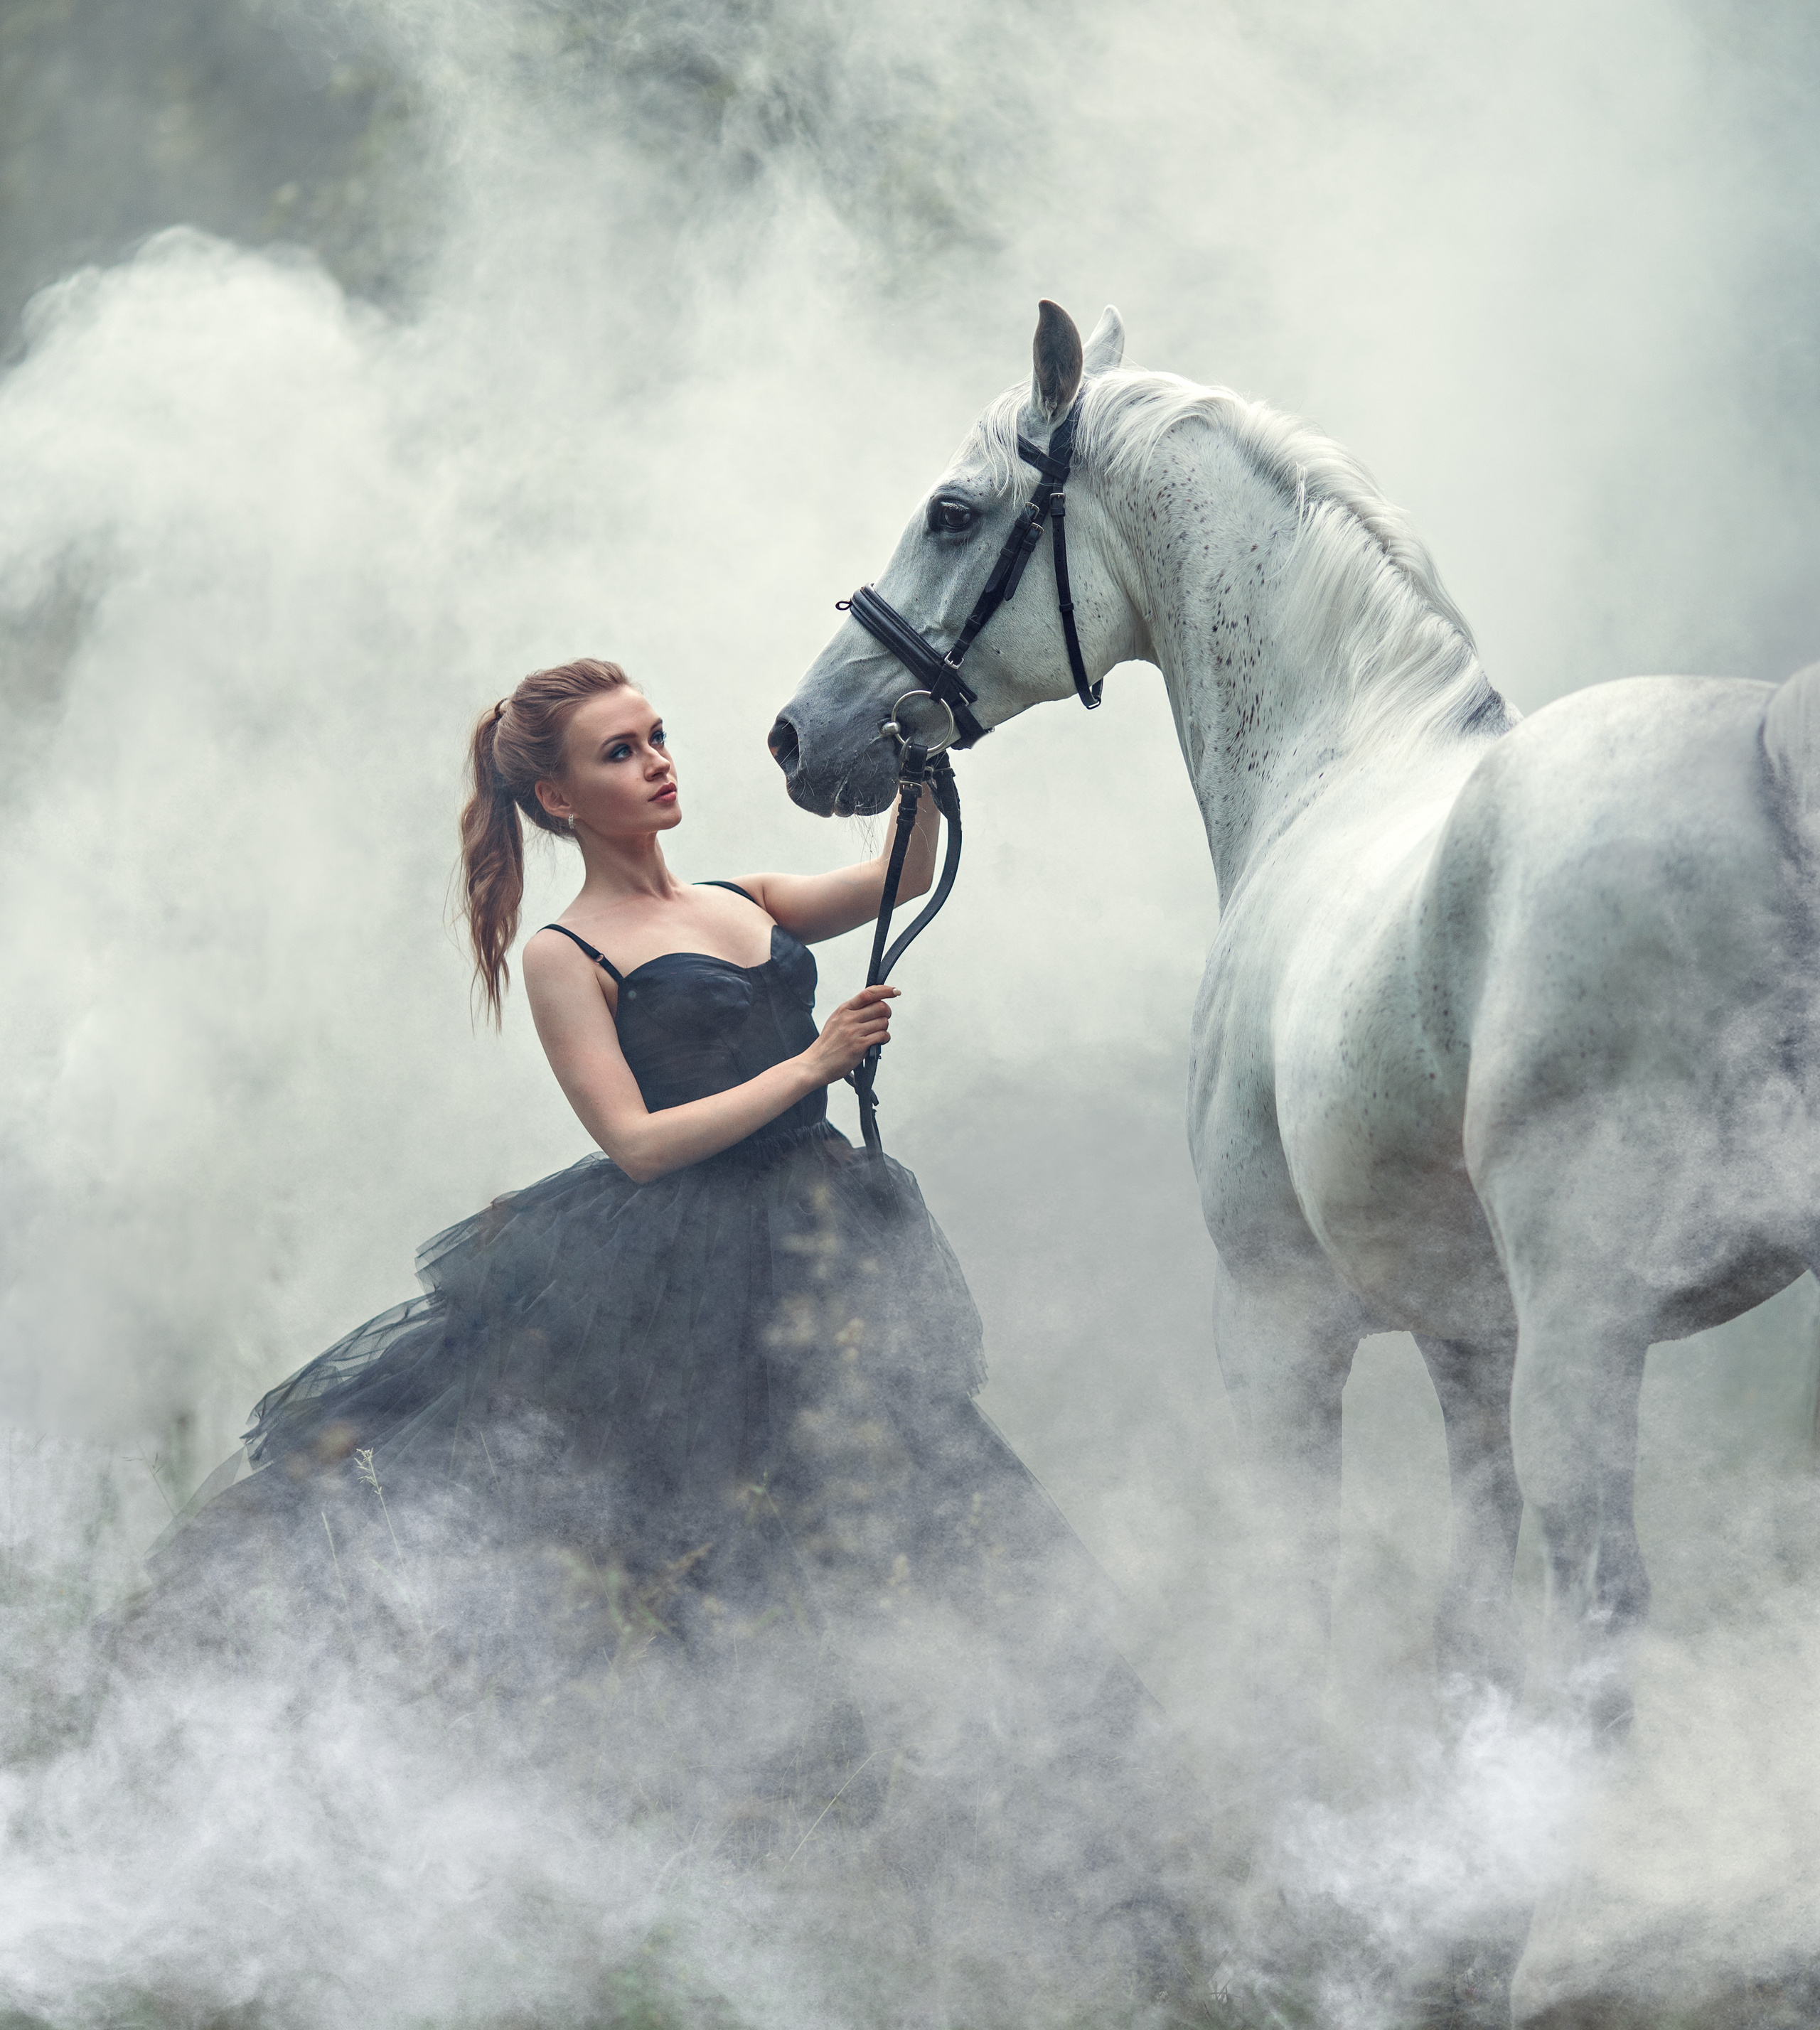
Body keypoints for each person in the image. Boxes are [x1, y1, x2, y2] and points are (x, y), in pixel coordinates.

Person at [129, 655, 1201, 1997]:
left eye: (658, 738)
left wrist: (923, 762)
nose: (659, 764)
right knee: (666, 1527)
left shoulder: (743, 898)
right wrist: (810, 1065)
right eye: (621, 753)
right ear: (558, 799)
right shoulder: (566, 954)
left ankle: (1044, 1822)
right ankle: (657, 1821)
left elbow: (900, 877)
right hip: (674, 1263)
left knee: (923, 1496)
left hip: (818, 1243)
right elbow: (636, 1143)